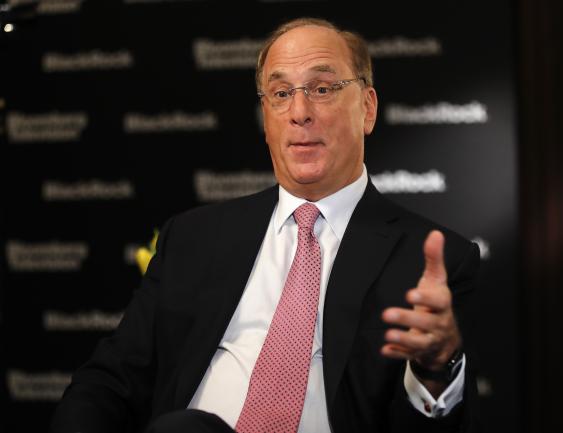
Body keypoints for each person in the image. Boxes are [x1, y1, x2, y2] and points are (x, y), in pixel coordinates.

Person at [51, 17, 480, 433]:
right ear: (266, 118)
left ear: (367, 108)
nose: (299, 112)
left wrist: (434, 370)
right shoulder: (193, 237)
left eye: (322, 88)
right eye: (280, 93)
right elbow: (109, 382)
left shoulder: (430, 260)